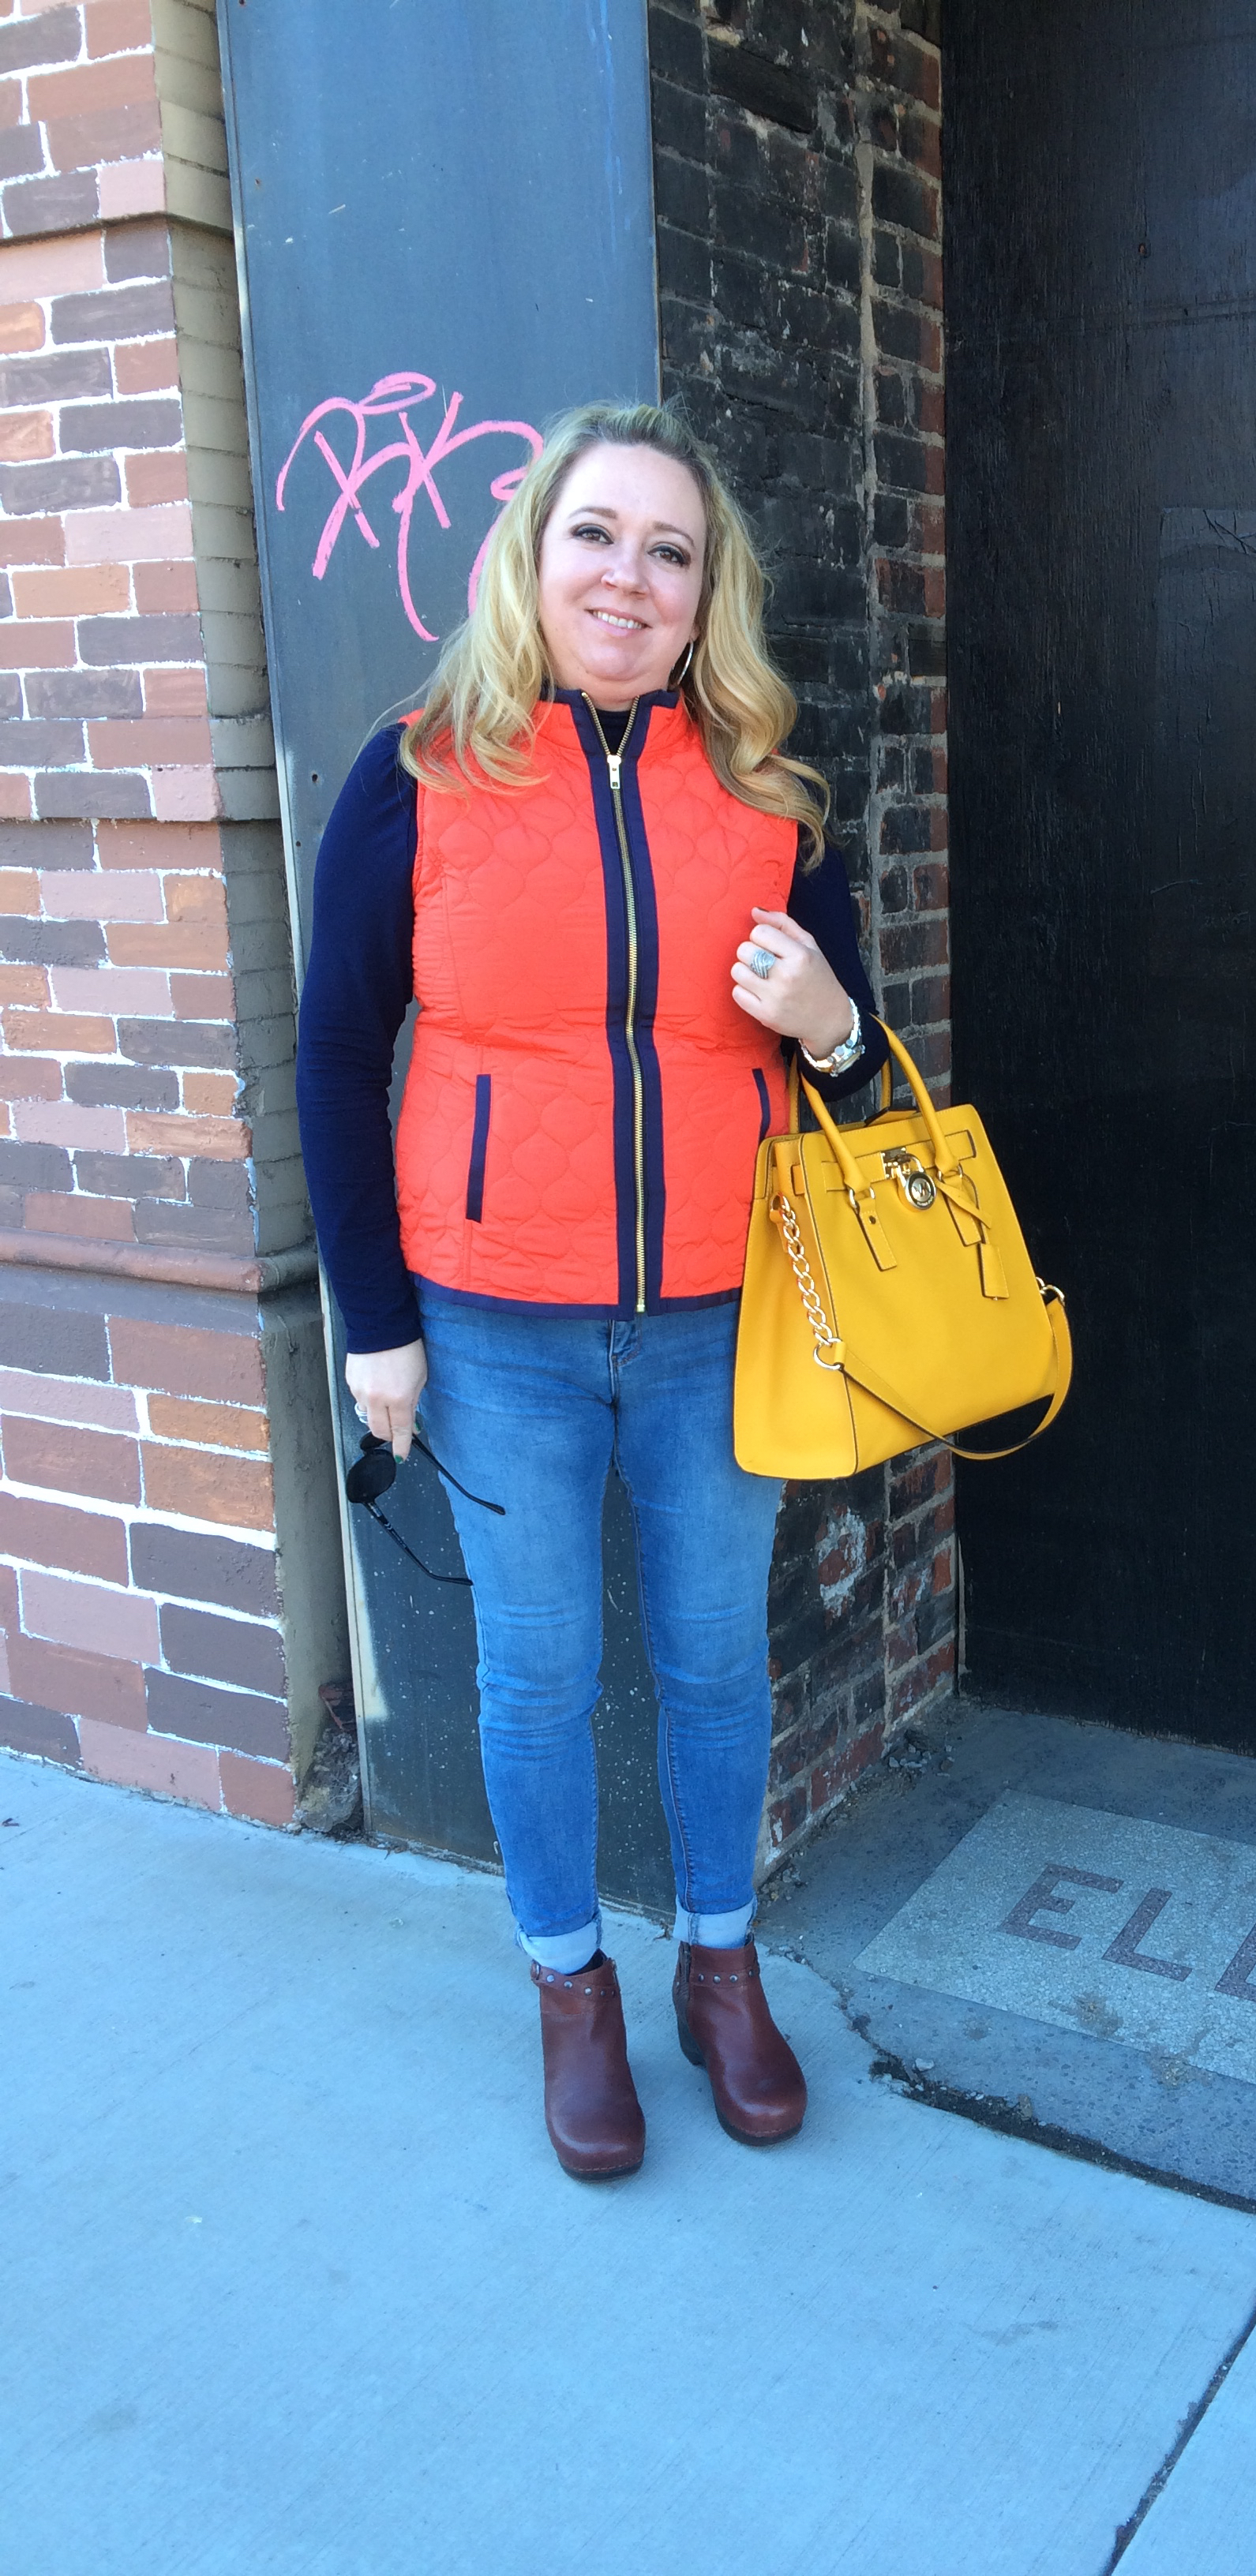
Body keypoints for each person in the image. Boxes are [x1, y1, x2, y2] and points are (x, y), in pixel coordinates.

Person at [295, 402, 887, 2180]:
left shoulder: (769, 794)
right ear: (533, 558)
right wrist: (376, 1325)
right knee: (537, 1673)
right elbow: (335, 1055)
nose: (629, 576)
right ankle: (571, 1992)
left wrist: (829, 1023)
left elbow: (861, 1078)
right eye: (597, 536)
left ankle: (721, 1970)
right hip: (494, 1327)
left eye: (669, 550)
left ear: (709, 594)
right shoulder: (418, 774)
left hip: (720, 1319)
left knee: (715, 1665)